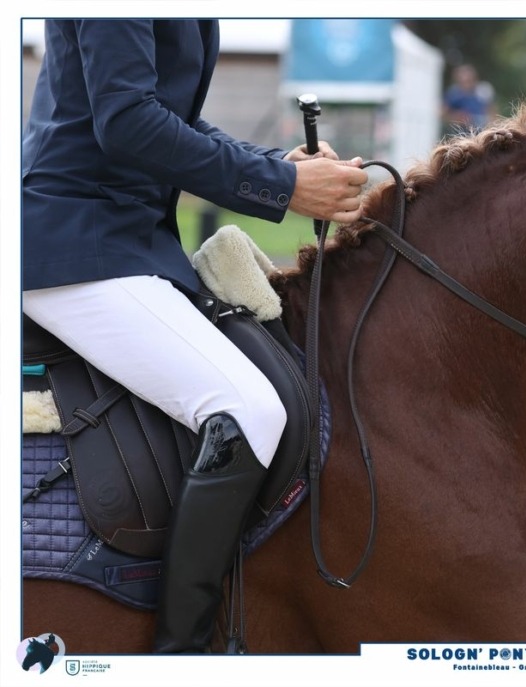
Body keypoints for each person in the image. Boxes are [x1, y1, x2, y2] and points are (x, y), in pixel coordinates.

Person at [21, 20, 368, 653]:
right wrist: (283, 188)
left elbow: (170, 114)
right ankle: (180, 655)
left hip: (134, 246)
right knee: (246, 409)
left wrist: (272, 166)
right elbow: (128, 121)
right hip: (77, 245)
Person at [442, 63, 497, 133]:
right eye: (462, 82)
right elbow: (443, 113)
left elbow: (492, 113)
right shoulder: (453, 93)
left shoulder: (483, 90)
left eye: (468, 81)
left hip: (481, 129)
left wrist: (491, 128)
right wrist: (456, 117)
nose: (466, 84)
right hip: (461, 132)